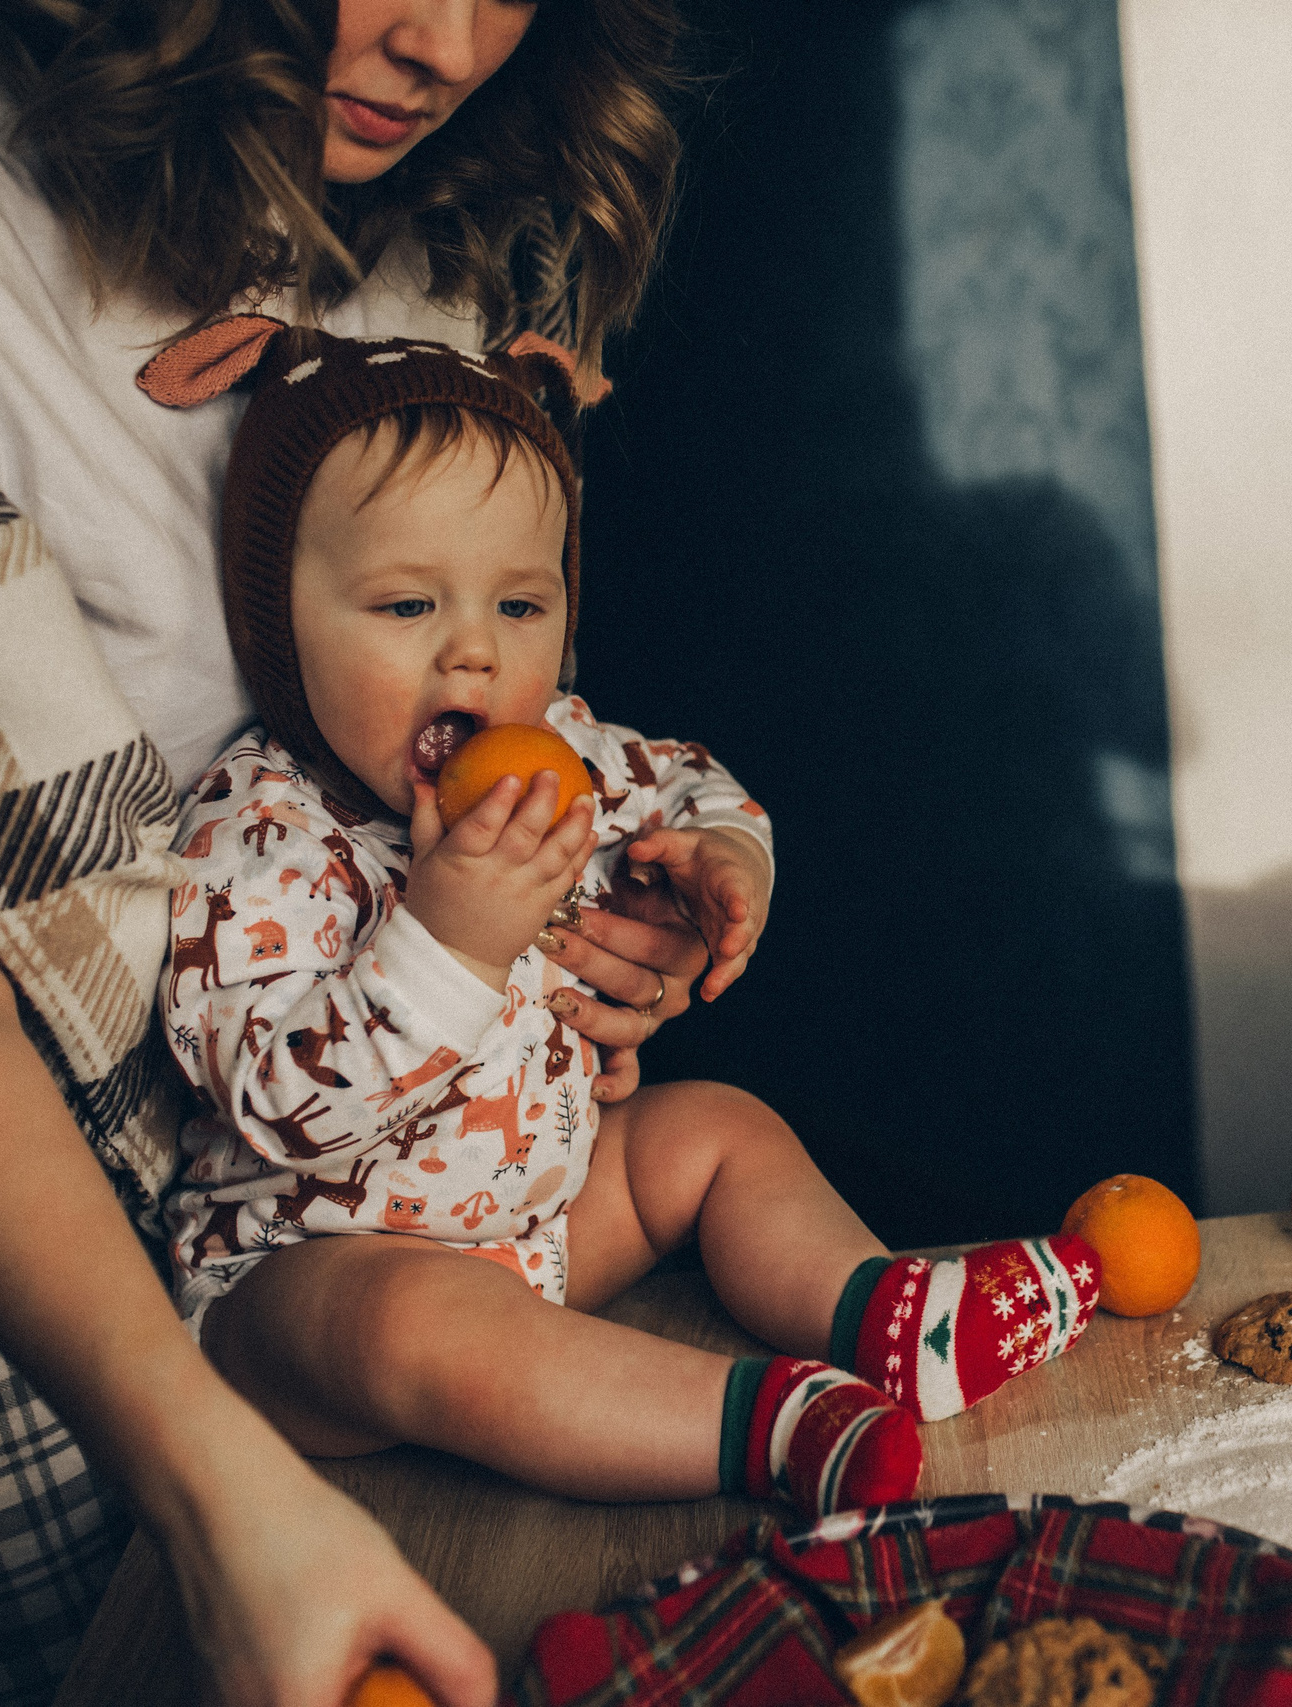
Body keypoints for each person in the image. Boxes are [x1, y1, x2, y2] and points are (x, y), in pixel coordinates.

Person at [0, 0, 721, 1701]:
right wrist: (208, 1479)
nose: (453, 44)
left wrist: (565, 928)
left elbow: (455, 681)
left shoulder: (458, 187)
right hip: (6, 1277)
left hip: (379, 1202)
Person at [151, 326, 1097, 1521]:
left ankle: (883, 1312)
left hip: (545, 1219)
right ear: (275, 619)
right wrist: (448, 938)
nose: (476, 651)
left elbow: (697, 783)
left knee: (710, 1127)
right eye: (403, 603)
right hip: (309, 1279)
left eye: (520, 601)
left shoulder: (567, 757)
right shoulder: (261, 834)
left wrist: (722, 858)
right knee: (415, 1320)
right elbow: (278, 1108)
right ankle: (764, 1424)